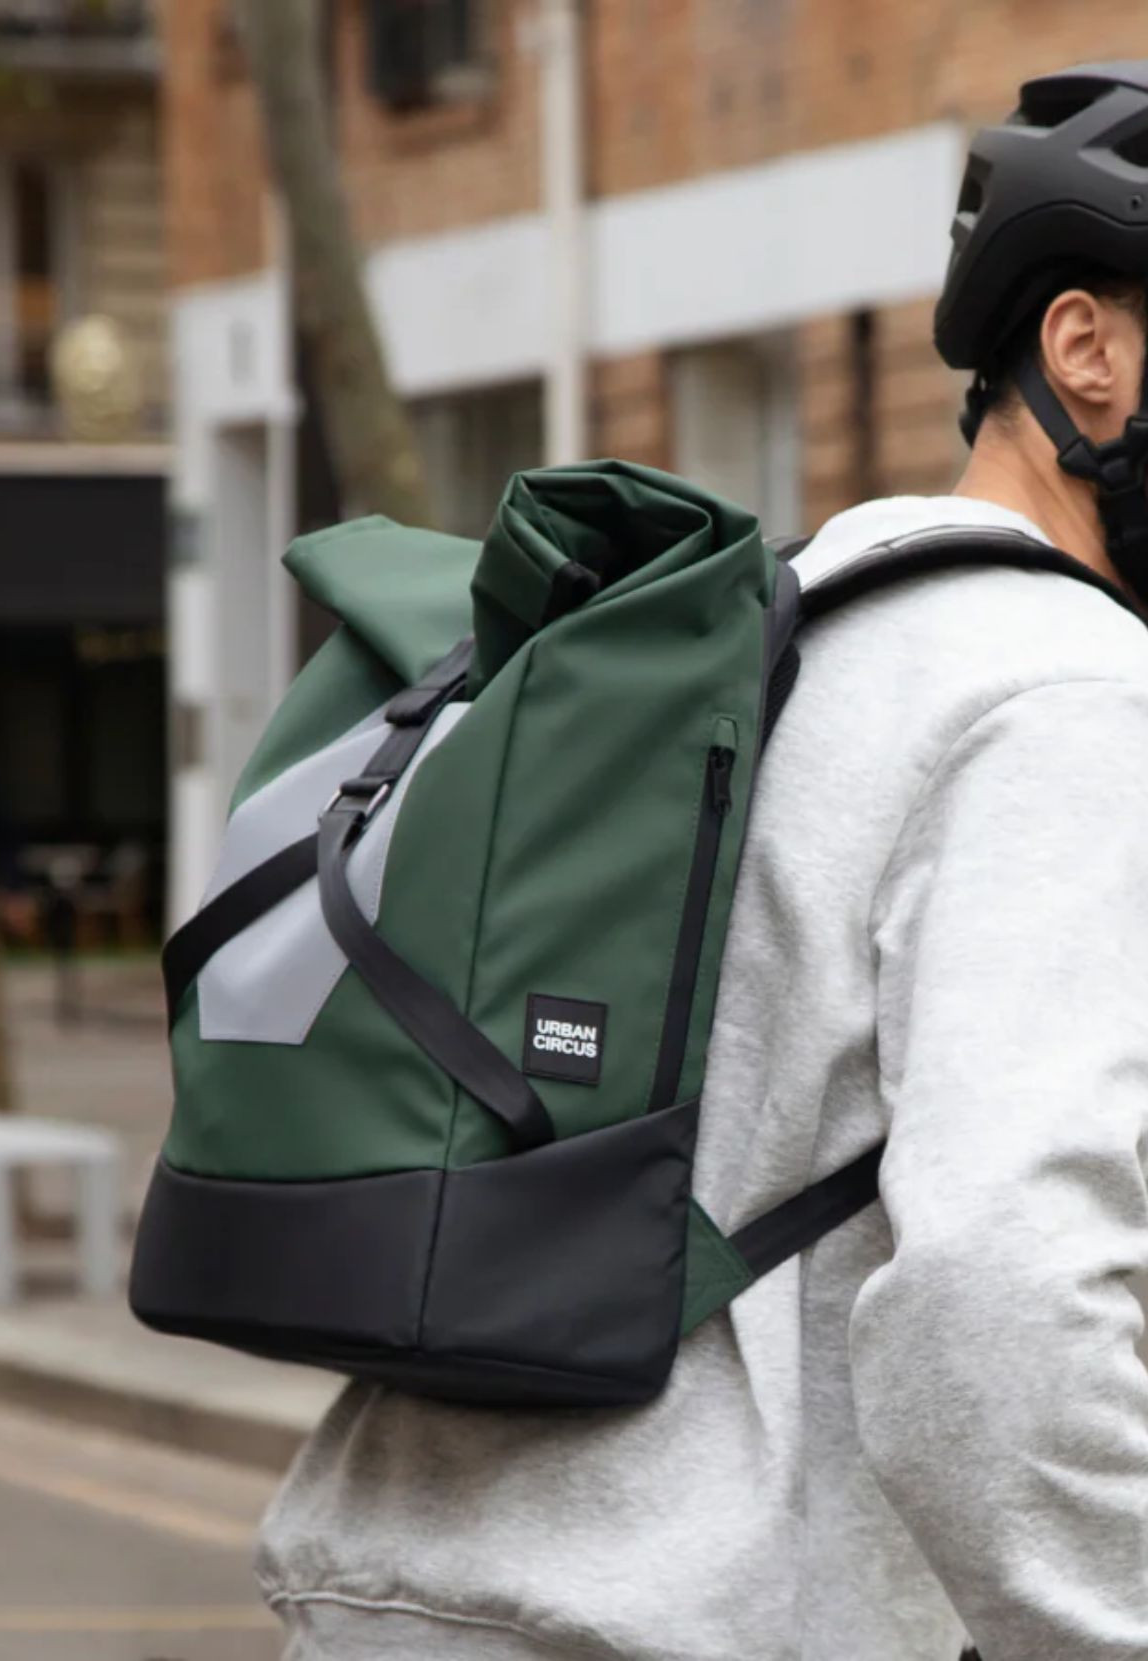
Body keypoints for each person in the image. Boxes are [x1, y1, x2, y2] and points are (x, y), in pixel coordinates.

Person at [256, 62, 1148, 1661]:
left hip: (413, 1583)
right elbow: (1006, 1300)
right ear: (1086, 348)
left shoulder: (786, 632)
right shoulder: (1070, 693)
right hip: (676, 1617)